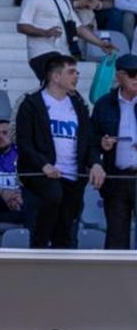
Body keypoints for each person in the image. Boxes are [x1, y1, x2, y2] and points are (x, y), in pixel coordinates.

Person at [17, 53, 103, 248]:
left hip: (73, 178)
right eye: (71, 72)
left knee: (66, 238)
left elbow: (88, 142)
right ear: (55, 77)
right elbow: (24, 142)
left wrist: (96, 163)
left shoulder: (79, 106)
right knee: (42, 231)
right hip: (43, 177)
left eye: (77, 72)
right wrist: (43, 164)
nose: (76, 76)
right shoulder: (32, 104)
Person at [92, 54, 137, 248]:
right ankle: (117, 279)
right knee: (116, 238)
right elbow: (90, 140)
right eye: (132, 74)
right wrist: (102, 143)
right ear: (119, 76)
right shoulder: (104, 104)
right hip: (116, 178)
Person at [19, 0, 80, 82]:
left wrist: (100, 43)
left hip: (63, 53)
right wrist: (45, 32)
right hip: (42, 52)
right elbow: (22, 26)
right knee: (57, 84)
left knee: (64, 87)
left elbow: (78, 27)